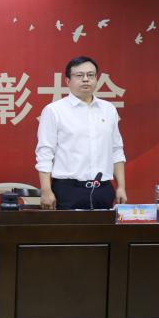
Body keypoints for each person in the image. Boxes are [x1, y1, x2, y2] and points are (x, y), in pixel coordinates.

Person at [36, 56, 127, 210]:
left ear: (96, 79)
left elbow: (116, 150)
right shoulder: (54, 110)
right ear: (68, 81)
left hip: (103, 189)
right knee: (68, 227)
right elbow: (45, 153)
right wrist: (46, 190)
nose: (86, 79)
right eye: (79, 75)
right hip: (68, 190)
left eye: (91, 75)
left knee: (104, 227)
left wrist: (121, 187)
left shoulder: (108, 109)